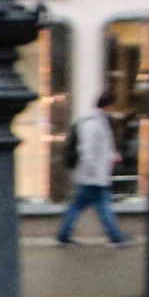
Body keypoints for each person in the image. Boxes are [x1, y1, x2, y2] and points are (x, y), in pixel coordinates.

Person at [58, 93, 131, 246]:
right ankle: (115, 236)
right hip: (93, 176)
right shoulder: (93, 123)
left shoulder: (98, 121)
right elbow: (89, 150)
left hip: (94, 175)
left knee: (79, 205)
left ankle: (64, 234)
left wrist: (111, 156)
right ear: (107, 105)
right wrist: (93, 171)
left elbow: (101, 148)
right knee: (102, 205)